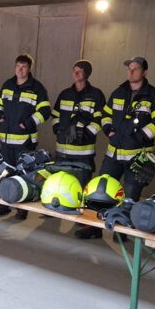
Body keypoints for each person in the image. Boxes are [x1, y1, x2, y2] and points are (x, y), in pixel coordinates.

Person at [99, 56, 155, 205]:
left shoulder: (154, 96)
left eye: (135, 69)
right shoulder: (118, 93)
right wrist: (109, 132)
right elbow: (105, 115)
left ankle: (124, 220)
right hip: (113, 156)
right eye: (129, 69)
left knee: (130, 200)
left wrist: (140, 136)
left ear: (145, 72)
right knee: (102, 193)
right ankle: (99, 222)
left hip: (138, 158)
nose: (131, 72)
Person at [51, 60, 106, 238]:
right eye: (74, 70)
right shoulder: (65, 94)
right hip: (63, 150)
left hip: (84, 152)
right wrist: (58, 130)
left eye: (80, 71)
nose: (76, 74)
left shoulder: (96, 95)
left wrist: (86, 133)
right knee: (61, 183)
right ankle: (60, 209)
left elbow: (100, 119)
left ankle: (85, 221)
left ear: (87, 74)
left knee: (83, 187)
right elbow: (55, 115)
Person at [0, 54, 51, 220]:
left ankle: (21, 209)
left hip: (25, 141)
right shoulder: (7, 85)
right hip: (6, 140)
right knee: (5, 172)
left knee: (23, 174)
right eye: (18, 66)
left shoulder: (37, 88)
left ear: (29, 68)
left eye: (24, 66)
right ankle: (3, 204)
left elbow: (45, 111)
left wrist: (28, 123)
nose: (20, 69)